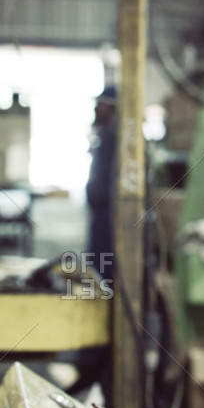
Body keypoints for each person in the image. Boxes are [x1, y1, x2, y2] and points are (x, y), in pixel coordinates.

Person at [85, 87, 118, 281]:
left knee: (102, 271)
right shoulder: (104, 136)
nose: (97, 109)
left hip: (110, 217)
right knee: (96, 269)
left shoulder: (114, 138)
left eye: (101, 105)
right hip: (100, 216)